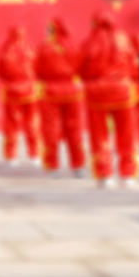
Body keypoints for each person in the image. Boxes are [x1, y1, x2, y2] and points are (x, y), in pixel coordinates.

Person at [78, 12, 139, 188]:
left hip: (97, 93)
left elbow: (80, 67)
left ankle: (105, 175)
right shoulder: (124, 39)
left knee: (100, 136)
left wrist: (89, 79)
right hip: (123, 92)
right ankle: (128, 175)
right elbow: (134, 67)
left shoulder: (90, 41)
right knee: (127, 135)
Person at [35, 17, 87, 177]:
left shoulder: (45, 47)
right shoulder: (74, 46)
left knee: (50, 129)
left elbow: (37, 69)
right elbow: (81, 66)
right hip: (73, 91)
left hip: (50, 91)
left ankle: (53, 165)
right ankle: (78, 165)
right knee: (75, 128)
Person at [0, 25, 41, 166]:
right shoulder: (30, 50)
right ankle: (35, 154)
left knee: (11, 125)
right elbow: (38, 67)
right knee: (32, 123)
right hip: (30, 92)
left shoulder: (6, 50)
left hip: (12, 91)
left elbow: (0, 69)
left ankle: (11, 156)